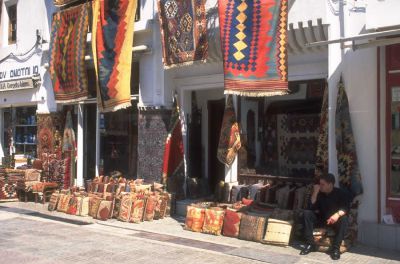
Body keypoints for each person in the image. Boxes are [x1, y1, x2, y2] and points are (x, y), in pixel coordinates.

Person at [300, 173, 350, 260]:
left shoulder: (341, 193)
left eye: (322, 184)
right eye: (320, 184)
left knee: (344, 219)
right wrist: (315, 192)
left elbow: (346, 208)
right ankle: (310, 244)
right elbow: (311, 207)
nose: (320, 186)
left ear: (330, 184)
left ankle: (335, 249)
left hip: (334, 221)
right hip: (321, 218)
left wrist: (337, 215)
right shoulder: (319, 193)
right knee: (306, 213)